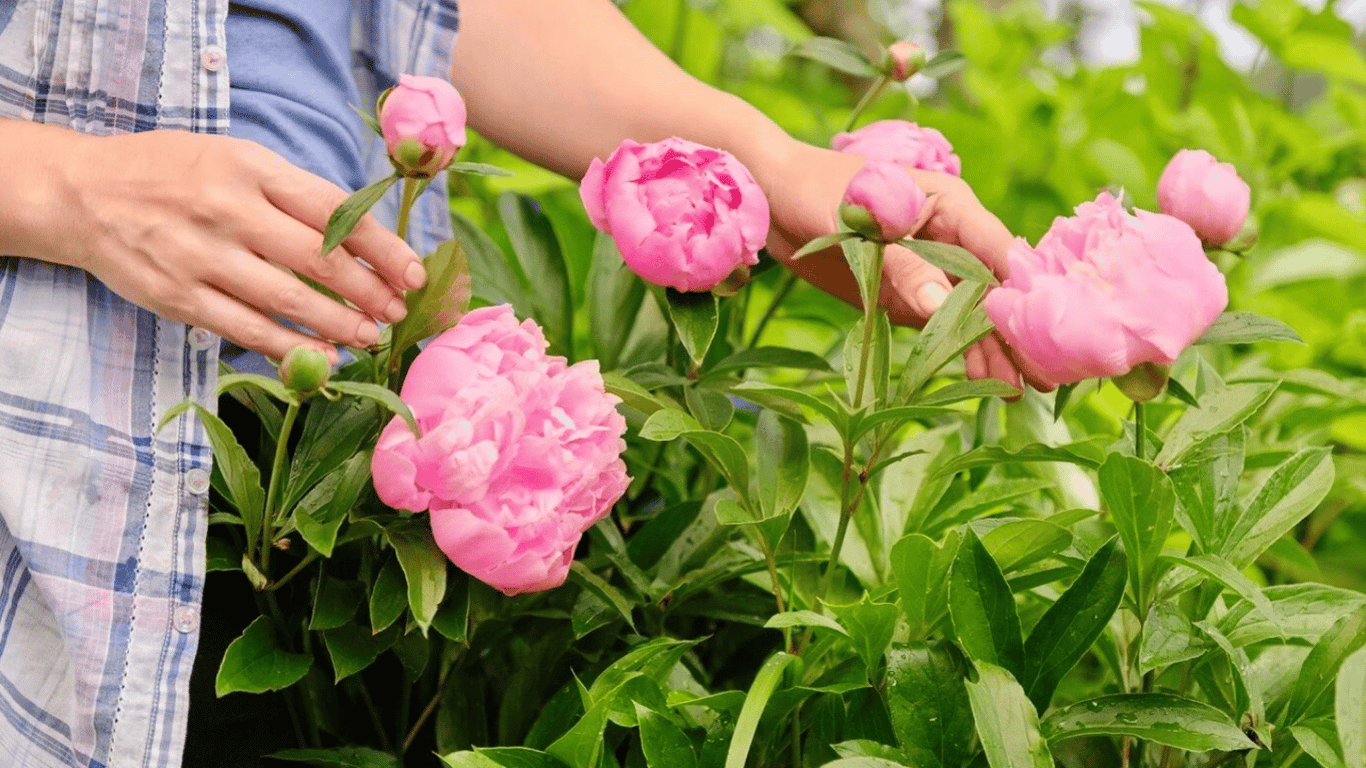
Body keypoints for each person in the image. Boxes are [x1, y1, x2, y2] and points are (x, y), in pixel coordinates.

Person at [0, 0, 1035, 764]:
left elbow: (448, 14)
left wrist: (768, 164)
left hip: (332, 542)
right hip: (41, 504)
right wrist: (65, 189)